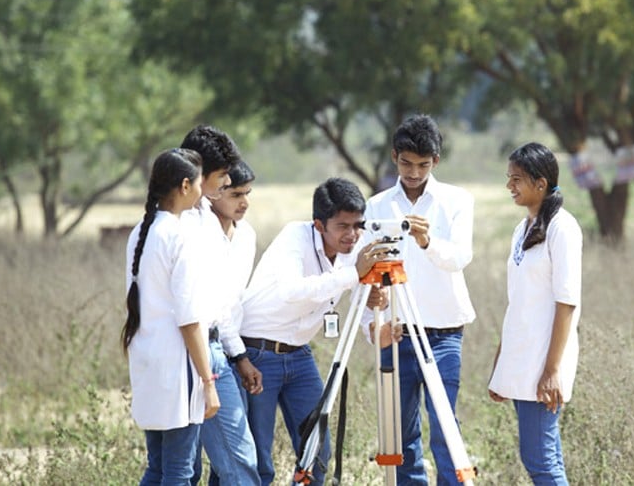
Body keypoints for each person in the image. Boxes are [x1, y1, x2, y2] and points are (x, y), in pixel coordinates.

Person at [239, 177, 386, 486]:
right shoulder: (294, 236)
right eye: (342, 226)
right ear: (319, 225)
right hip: (257, 353)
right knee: (256, 460)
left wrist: (376, 315)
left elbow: (361, 295)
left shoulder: (356, 247)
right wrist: (353, 274)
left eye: (358, 225)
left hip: (300, 355)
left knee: (317, 452)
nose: (352, 234)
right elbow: (293, 290)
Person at [361, 114, 476, 486]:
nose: (413, 172)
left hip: (443, 335)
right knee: (401, 436)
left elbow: (459, 258)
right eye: (407, 163)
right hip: (396, 335)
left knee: (445, 428)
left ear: (436, 161)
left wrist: (427, 243)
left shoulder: (457, 201)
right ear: (395, 157)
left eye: (423, 165)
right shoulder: (376, 206)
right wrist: (372, 326)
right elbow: (364, 277)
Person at [122, 148, 220, 485]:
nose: (200, 189)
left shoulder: (142, 231)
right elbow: (190, 319)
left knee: (158, 466)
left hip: (147, 357)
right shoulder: (178, 235)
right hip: (177, 366)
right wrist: (208, 382)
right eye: (197, 182)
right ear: (184, 186)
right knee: (181, 469)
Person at [487, 142, 583, 485]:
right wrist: (502, 364)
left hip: (544, 361)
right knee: (544, 456)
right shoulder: (521, 229)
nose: (509, 186)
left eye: (517, 179)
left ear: (540, 184)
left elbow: (566, 302)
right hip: (522, 357)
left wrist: (552, 370)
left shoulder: (563, 227)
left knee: (540, 461)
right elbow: (519, 303)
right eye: (508, 178)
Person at [179, 125, 261, 485]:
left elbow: (224, 301)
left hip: (213, 347)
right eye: (224, 178)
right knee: (180, 468)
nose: (228, 186)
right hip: (184, 348)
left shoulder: (221, 229)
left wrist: (238, 355)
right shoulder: (177, 225)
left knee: (239, 461)